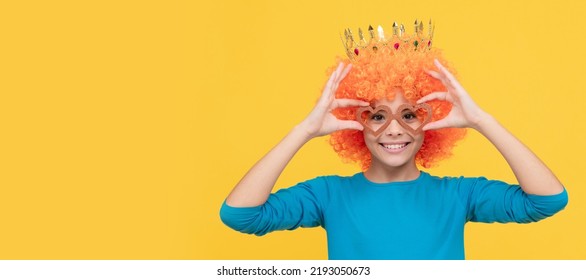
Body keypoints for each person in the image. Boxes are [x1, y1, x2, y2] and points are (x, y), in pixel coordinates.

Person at [219, 23, 568, 260]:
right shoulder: (328, 196)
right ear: (356, 123)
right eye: (378, 115)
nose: (394, 129)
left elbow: (548, 201)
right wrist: (304, 130)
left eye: (410, 114)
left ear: (431, 120)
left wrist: (481, 120)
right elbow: (239, 216)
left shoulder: (458, 195)